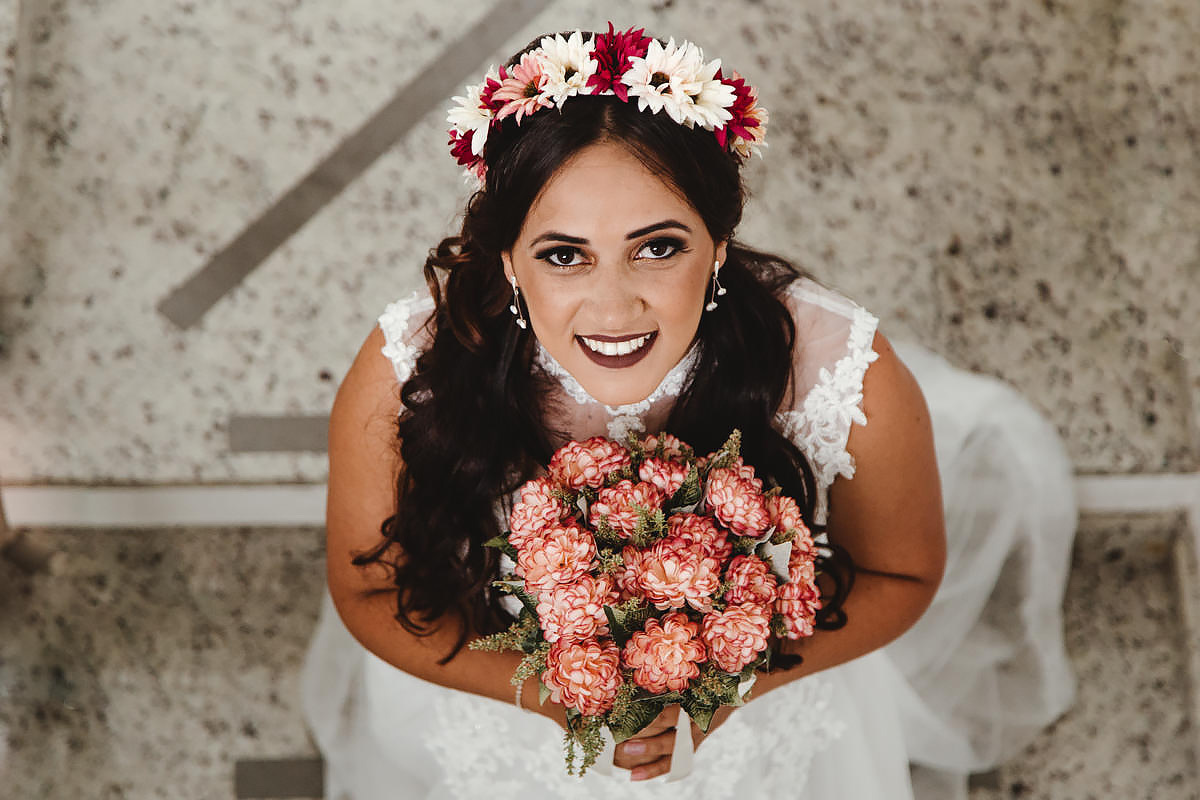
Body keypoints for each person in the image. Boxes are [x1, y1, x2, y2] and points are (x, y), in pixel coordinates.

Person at [301, 25, 1077, 800]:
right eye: (563, 255)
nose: (613, 307)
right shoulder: (411, 370)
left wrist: (730, 692)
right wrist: (550, 693)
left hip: (759, 722)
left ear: (718, 245)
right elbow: (370, 591)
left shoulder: (842, 376)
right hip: (502, 705)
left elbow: (900, 571)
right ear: (508, 259)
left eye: (658, 248)